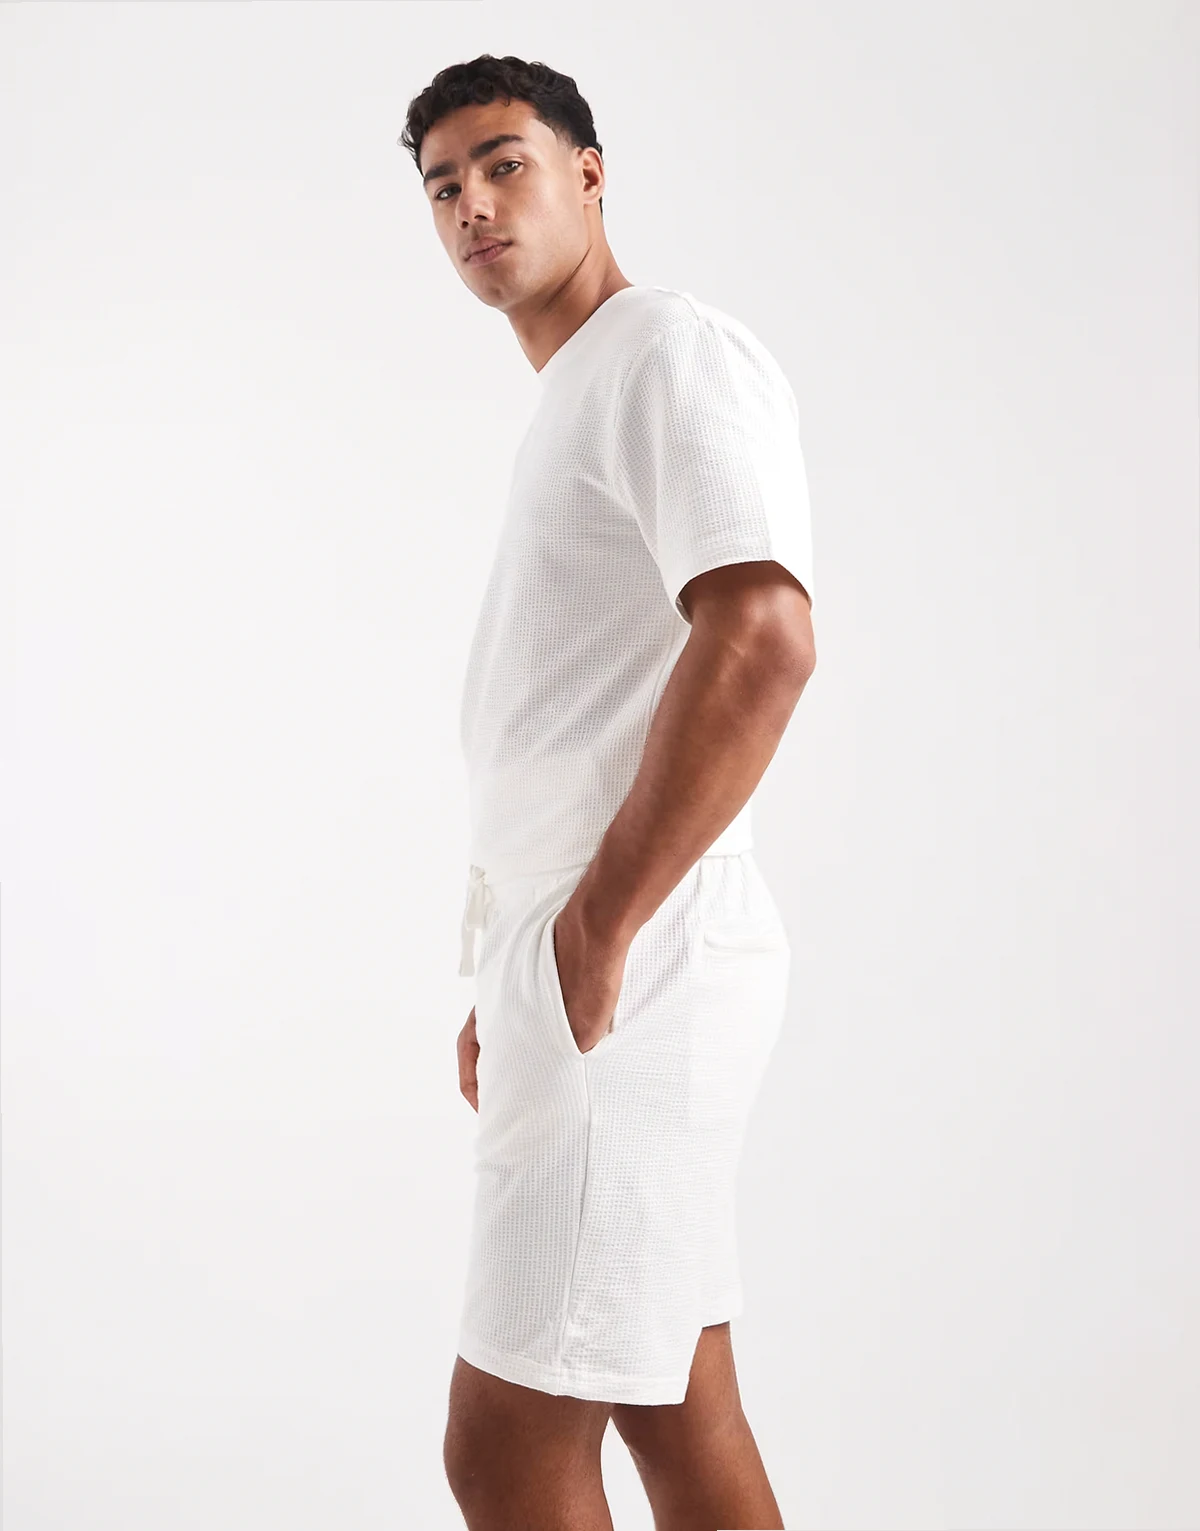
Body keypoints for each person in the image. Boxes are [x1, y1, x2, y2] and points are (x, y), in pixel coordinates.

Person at [399, 53, 816, 1531]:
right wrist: (518, 967)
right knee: (672, 1401)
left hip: (634, 962)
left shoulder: (661, 352)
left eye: (504, 163)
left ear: (589, 172)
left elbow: (762, 633)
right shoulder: (587, 386)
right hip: (598, 958)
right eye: (443, 185)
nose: (472, 204)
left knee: (504, 1444)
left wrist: (596, 930)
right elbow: (582, 716)